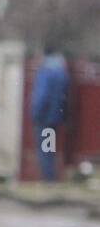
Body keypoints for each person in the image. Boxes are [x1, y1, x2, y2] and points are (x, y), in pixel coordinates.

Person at [30, 44, 70, 182]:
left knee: (44, 151)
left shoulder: (46, 72)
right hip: (55, 118)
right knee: (50, 149)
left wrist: (35, 114)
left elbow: (41, 95)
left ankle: (48, 180)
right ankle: (50, 178)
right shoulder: (61, 72)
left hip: (43, 118)